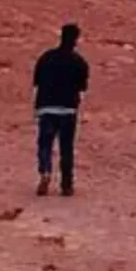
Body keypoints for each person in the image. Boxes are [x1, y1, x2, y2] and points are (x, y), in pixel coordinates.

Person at [32, 22, 89, 197]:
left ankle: (45, 171)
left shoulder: (46, 57)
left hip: (47, 107)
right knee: (66, 148)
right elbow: (83, 87)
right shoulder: (79, 62)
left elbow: (36, 81)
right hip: (68, 109)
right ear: (75, 40)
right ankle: (66, 185)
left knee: (45, 144)